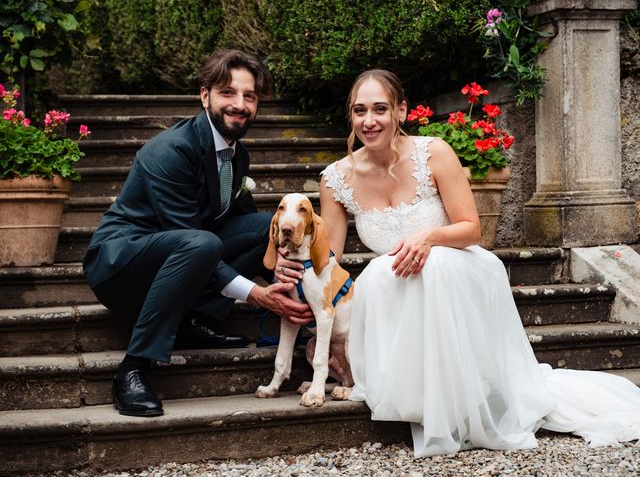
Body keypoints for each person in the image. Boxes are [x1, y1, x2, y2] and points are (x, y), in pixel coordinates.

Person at [300, 69, 640, 456]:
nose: (369, 120)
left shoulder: (435, 152)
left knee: (431, 268)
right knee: (378, 272)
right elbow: (330, 258)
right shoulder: (336, 179)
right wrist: (295, 278)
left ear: (401, 111)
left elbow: (471, 228)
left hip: (458, 266)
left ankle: (458, 395)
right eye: (360, 110)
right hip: (397, 284)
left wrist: (428, 237)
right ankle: (415, 392)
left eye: (380, 109)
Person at [83, 49, 312, 417]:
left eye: (249, 96)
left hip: (185, 255)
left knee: (266, 227)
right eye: (228, 93)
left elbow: (248, 227)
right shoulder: (172, 150)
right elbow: (190, 237)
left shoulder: (238, 155)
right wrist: (256, 295)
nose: (240, 105)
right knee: (201, 242)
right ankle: (134, 367)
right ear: (204, 96)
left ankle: (190, 320)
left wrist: (285, 278)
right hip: (122, 267)